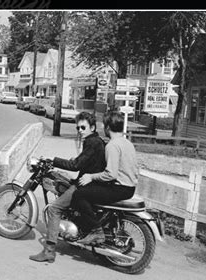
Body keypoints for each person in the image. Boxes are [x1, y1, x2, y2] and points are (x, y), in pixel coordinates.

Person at [29, 111, 106, 263]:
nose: (80, 131)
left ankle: (49, 251)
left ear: (92, 127)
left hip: (88, 184)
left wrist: (54, 160)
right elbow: (84, 162)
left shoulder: (92, 142)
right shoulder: (97, 141)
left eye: (83, 128)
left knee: (54, 208)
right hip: (92, 182)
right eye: (78, 128)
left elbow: (76, 165)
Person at [71, 111, 139, 245]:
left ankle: (96, 231)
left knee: (79, 195)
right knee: (91, 191)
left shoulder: (112, 146)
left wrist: (91, 176)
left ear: (107, 127)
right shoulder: (127, 143)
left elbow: (110, 174)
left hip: (119, 188)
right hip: (130, 187)